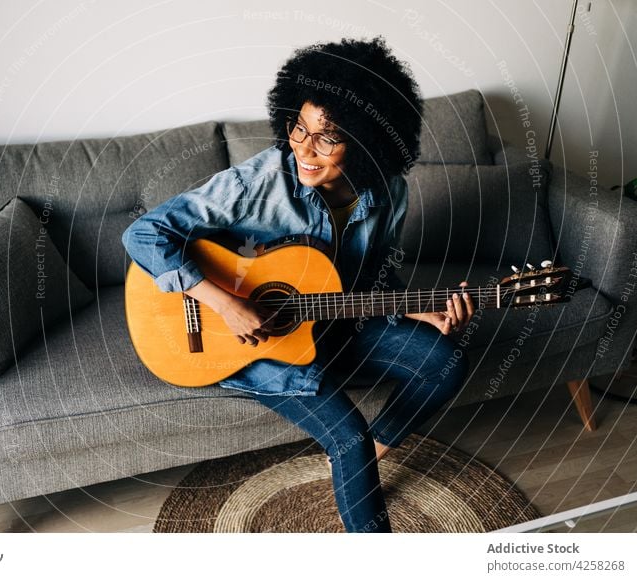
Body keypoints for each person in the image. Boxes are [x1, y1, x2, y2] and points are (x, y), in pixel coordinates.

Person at [122, 37, 474, 533]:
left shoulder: (389, 191)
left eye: (327, 138)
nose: (305, 150)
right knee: (346, 434)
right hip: (247, 342)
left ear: (369, 137)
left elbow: (371, 276)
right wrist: (224, 304)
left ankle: (369, 454)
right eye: (298, 129)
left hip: (332, 323)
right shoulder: (257, 182)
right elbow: (143, 234)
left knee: (446, 361)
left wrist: (417, 312)